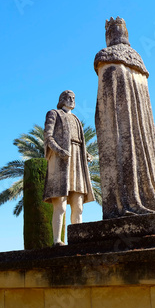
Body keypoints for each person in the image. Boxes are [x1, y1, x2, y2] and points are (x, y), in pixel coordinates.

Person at [94, 17, 155, 218]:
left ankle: (128, 203)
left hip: (119, 128)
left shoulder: (105, 56)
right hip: (141, 130)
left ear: (109, 34)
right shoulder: (137, 60)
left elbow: (104, 104)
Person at [43, 90, 95, 246]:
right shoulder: (54, 113)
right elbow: (48, 136)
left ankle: (77, 240)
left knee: (78, 205)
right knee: (60, 203)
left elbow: (78, 140)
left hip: (77, 161)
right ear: (61, 99)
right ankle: (57, 240)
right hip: (61, 163)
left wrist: (84, 153)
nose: (72, 100)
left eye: (74, 98)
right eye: (68, 98)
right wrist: (58, 150)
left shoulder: (76, 119)